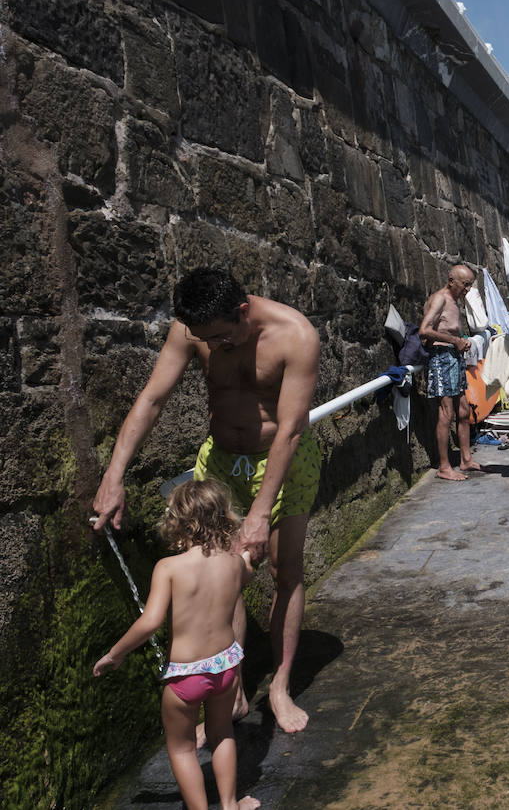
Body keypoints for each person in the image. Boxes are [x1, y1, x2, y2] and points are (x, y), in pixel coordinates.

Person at [91, 267, 318, 734]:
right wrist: (114, 477)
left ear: (241, 311)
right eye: (204, 340)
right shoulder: (192, 330)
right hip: (221, 461)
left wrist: (259, 513)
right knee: (218, 571)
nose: (211, 348)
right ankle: (228, 692)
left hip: (285, 459)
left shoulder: (295, 335)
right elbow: (152, 400)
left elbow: (291, 429)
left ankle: (279, 684)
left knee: (283, 568)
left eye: (220, 340)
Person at [94, 481, 260, 810]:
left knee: (182, 748)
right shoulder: (232, 563)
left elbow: (151, 621)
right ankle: (230, 804)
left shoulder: (168, 568)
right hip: (226, 667)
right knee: (222, 732)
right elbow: (247, 574)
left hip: (187, 676)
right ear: (224, 517)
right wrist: (244, 557)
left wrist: (116, 653)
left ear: (179, 524)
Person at [420, 264, 482, 481]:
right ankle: (444, 466)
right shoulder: (440, 299)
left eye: (470, 286)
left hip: (454, 358)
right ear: (451, 281)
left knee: (463, 410)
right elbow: (424, 330)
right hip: (442, 358)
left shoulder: (454, 301)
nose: (467, 290)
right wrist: (455, 340)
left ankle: (465, 459)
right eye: (465, 285)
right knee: (446, 413)